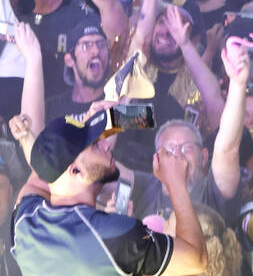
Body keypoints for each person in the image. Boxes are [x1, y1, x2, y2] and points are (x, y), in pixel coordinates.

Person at [13, 110, 209, 276]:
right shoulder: (112, 233)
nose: (106, 145)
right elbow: (196, 259)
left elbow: (41, 176)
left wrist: (117, 110)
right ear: (75, 171)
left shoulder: (25, 221)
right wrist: (176, 184)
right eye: (96, 145)